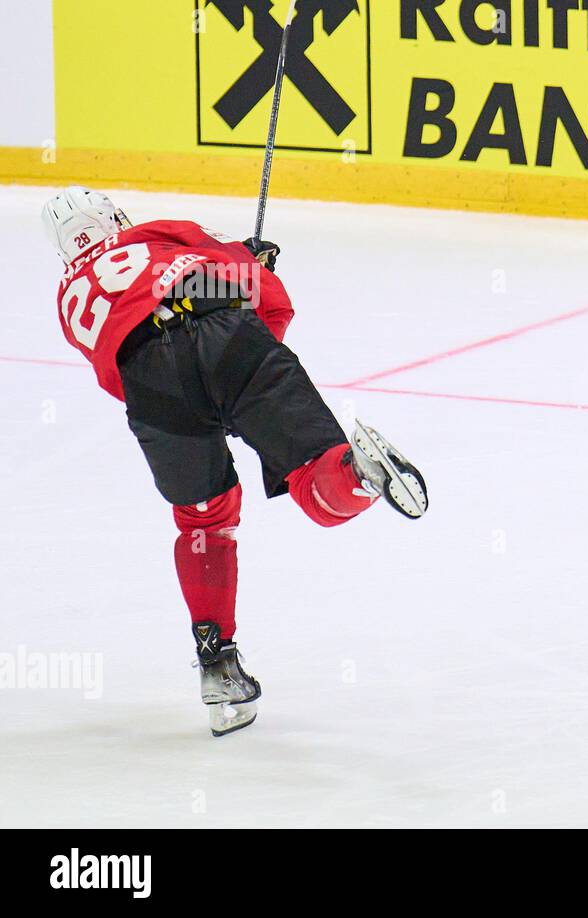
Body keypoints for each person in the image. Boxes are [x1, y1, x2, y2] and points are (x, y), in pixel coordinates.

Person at [43, 186, 428, 735]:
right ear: (113, 218)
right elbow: (271, 300)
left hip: (151, 387)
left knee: (204, 520)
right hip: (224, 334)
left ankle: (217, 665)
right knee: (317, 484)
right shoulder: (152, 232)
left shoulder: (69, 297)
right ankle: (357, 477)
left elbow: (117, 367)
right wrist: (251, 268)